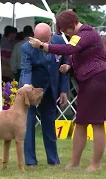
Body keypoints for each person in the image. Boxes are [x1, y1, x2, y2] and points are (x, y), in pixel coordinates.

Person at [28, 11, 106, 171]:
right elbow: (76, 54)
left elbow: (69, 49)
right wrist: (69, 66)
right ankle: (74, 163)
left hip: (98, 80)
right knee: (80, 122)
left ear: (71, 24)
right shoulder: (78, 36)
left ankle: (95, 164)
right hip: (87, 81)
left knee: (97, 123)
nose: (66, 33)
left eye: (65, 29)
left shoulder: (87, 33)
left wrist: (42, 46)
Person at [20, 23, 69, 168]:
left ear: (51, 35)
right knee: (28, 124)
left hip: (52, 89)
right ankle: (30, 161)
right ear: (34, 37)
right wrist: (27, 86)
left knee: (49, 123)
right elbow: (26, 70)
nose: (43, 44)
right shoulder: (26, 48)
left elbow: (64, 67)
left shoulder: (60, 42)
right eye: (40, 40)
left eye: (46, 41)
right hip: (32, 90)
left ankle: (53, 159)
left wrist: (64, 90)